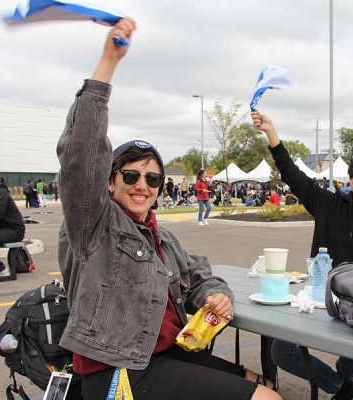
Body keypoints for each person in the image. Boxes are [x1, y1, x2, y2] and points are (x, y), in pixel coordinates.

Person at [56, 19, 280, 400]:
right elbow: (81, 156)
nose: (142, 185)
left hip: (171, 355)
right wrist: (108, 62)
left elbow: (197, 273)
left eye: (153, 179)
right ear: (109, 182)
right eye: (131, 175)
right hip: (121, 371)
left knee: (264, 384)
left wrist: (214, 294)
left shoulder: (163, 237)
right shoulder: (93, 226)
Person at [252, 110, 353, 400]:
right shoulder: (328, 204)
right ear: (350, 177)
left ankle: (343, 382)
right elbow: (293, 175)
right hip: (318, 295)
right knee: (282, 351)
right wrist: (272, 134)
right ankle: (344, 389)